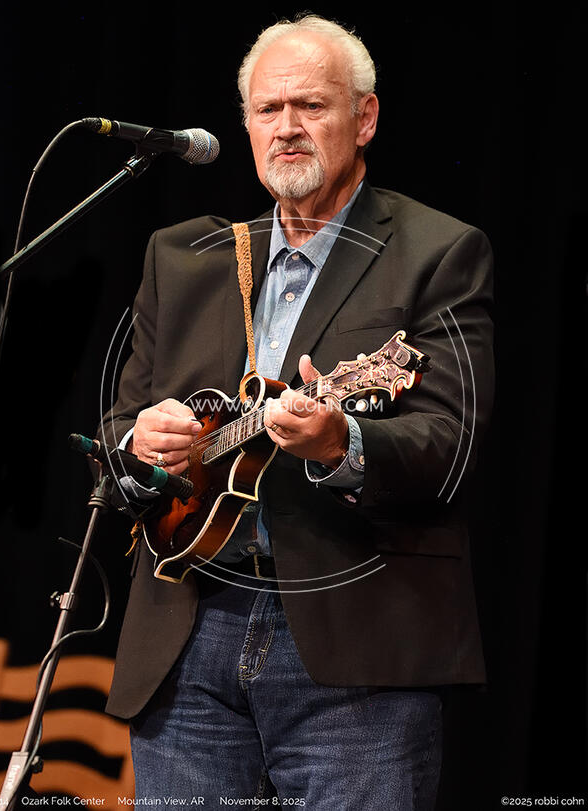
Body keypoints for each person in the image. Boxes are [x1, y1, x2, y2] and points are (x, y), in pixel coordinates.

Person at [99, 13, 494, 810]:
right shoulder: (183, 259)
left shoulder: (438, 251)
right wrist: (141, 439)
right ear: (245, 125)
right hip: (187, 635)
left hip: (358, 653)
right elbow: (115, 432)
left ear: (365, 118)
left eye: (311, 106)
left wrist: (342, 442)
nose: (287, 127)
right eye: (268, 109)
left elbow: (450, 442)